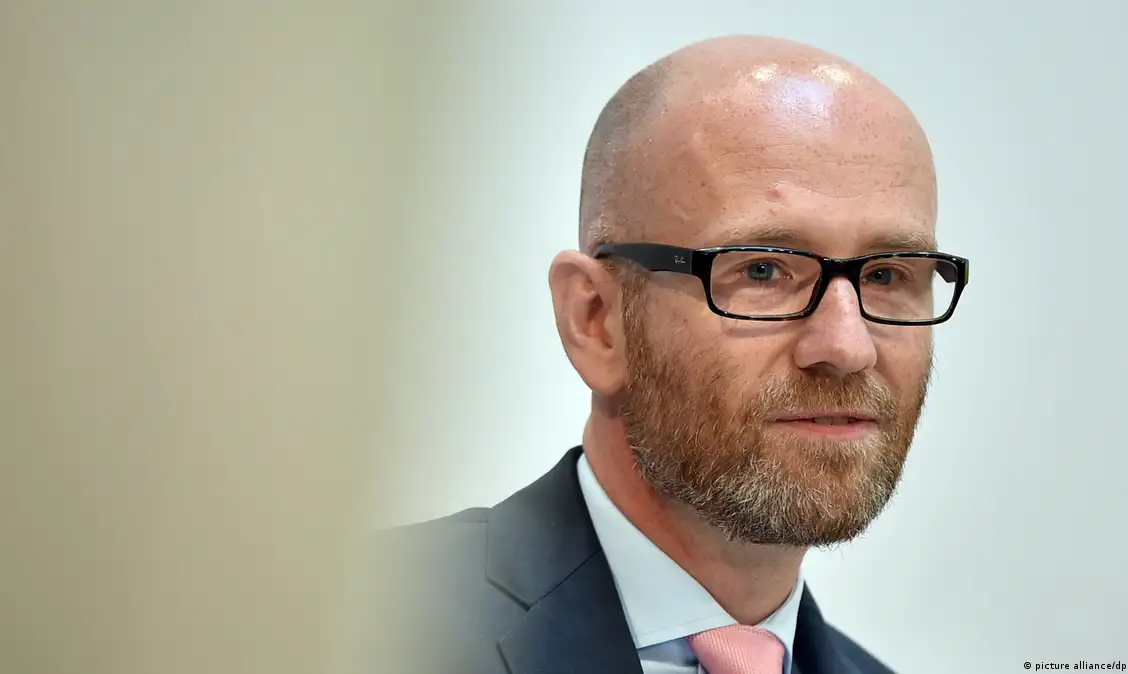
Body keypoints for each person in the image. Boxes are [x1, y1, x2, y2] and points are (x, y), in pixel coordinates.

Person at [363, 34, 970, 674]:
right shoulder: (352, 628)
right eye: (762, 270)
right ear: (596, 320)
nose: (847, 346)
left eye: (887, 275)